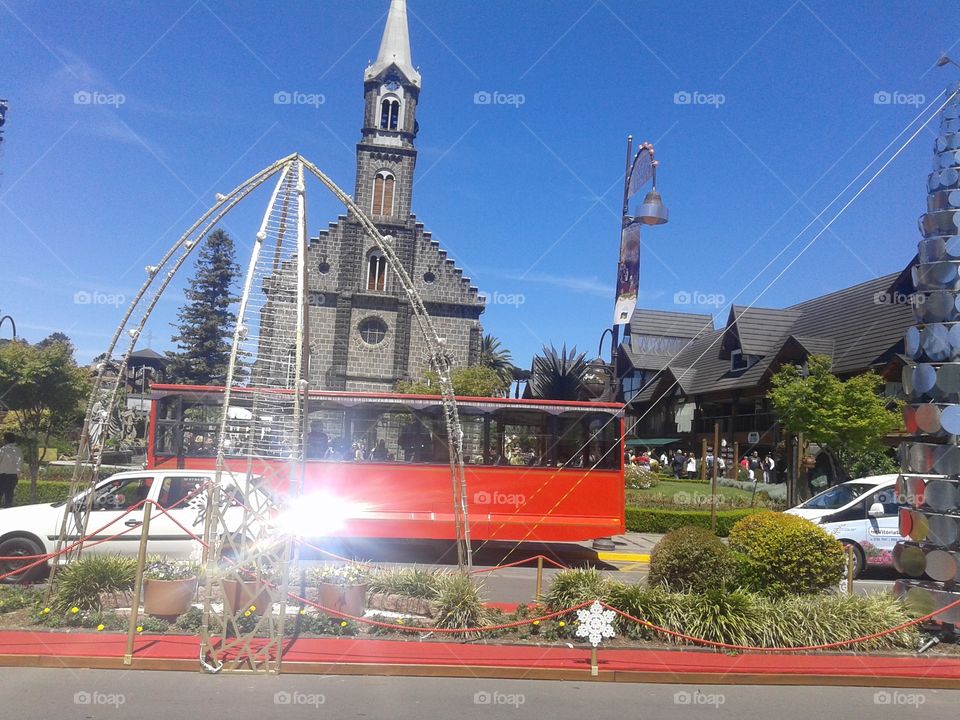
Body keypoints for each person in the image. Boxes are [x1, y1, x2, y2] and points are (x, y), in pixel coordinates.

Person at [0, 433, 22, 508]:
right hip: (13, 476)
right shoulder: (18, 450)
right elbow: (19, 465)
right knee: (9, 498)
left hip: (2, 476)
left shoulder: (3, 450)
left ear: (6, 440)